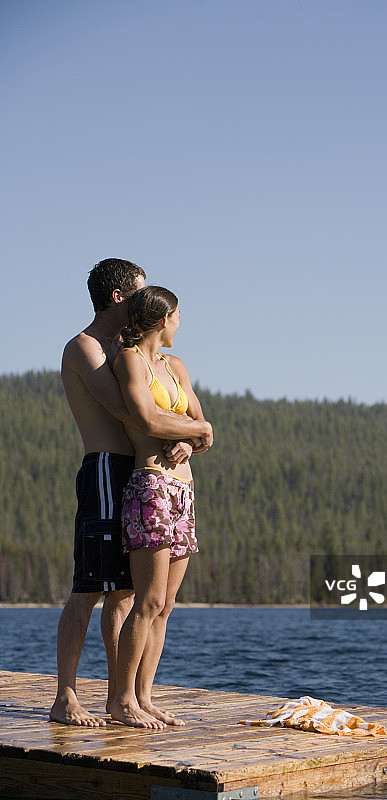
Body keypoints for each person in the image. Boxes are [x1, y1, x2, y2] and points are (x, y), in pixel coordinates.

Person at [51, 259, 213, 728]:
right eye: (142, 295)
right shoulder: (87, 348)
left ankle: (124, 697)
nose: (149, 304)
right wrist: (198, 427)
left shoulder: (137, 354)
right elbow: (133, 413)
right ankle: (65, 696)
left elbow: (161, 410)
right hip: (109, 468)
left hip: (149, 474)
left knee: (127, 595)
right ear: (121, 298)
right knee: (90, 589)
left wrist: (188, 435)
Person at [108, 286, 208, 728]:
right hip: (150, 484)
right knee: (144, 601)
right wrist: (195, 429)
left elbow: (199, 426)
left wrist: (190, 437)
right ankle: (121, 699)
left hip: (183, 491)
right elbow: (146, 418)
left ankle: (145, 696)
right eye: (178, 315)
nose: (181, 323)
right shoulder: (130, 358)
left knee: (165, 605)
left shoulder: (176, 366)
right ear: (162, 319)